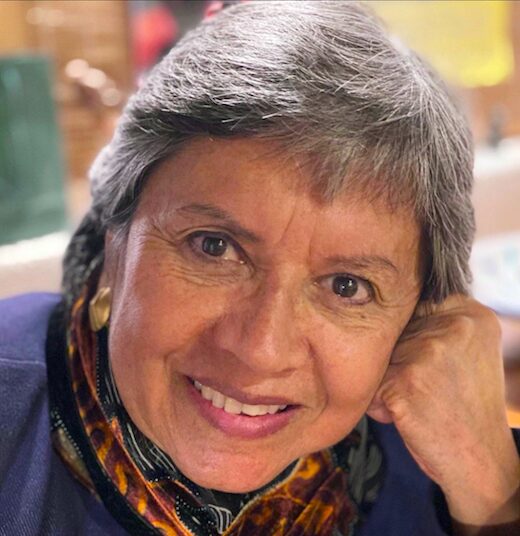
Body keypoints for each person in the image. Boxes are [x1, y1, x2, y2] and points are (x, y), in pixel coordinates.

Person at [0, 2, 518, 535]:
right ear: (116, 240)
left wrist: (492, 490)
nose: (260, 349)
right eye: (214, 247)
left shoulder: (435, 454)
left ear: (417, 316)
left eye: (346, 287)